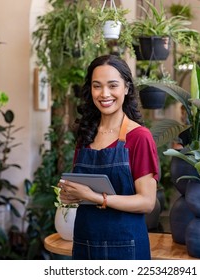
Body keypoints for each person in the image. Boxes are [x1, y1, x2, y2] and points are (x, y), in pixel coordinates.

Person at [58, 54, 159, 260]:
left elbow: (147, 202)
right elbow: (82, 190)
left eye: (113, 85)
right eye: (97, 86)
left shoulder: (139, 137)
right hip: (85, 242)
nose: (104, 94)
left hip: (126, 247)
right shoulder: (86, 134)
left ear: (126, 88)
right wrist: (70, 195)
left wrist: (95, 198)